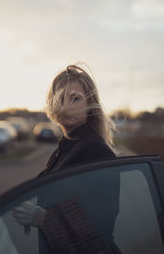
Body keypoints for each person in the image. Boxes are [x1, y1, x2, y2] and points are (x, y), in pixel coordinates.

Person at [13, 65, 119, 253]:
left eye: (75, 98)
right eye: (60, 98)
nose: (66, 106)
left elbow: (99, 228)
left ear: (90, 105)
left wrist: (40, 217)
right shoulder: (65, 147)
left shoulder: (95, 151)